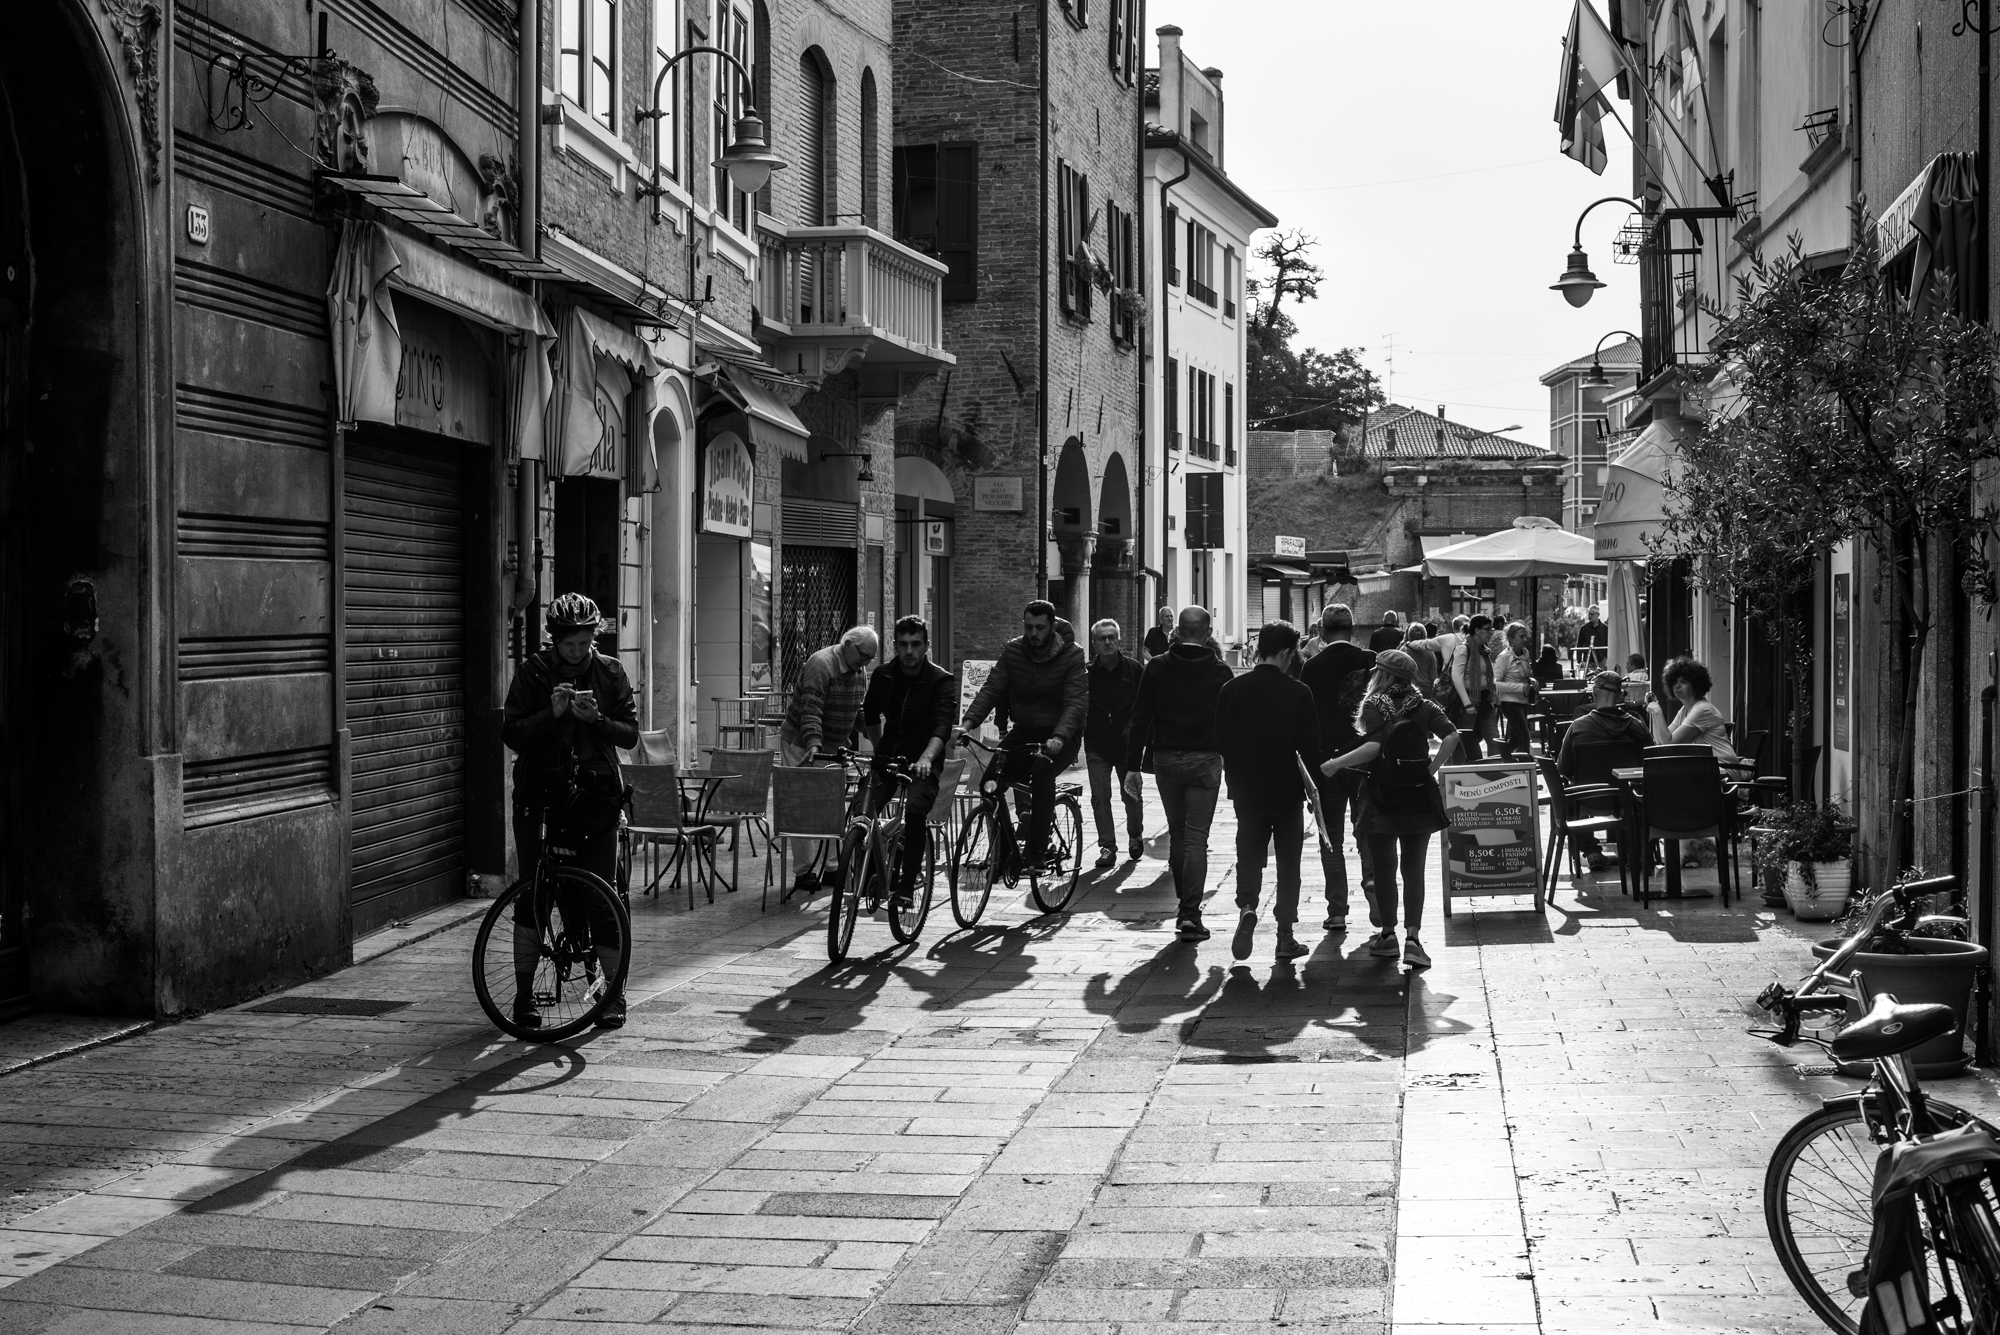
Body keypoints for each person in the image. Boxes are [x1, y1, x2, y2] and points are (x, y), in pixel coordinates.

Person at [500, 593, 640, 1030]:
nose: (577, 653)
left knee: (601, 895)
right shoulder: (533, 672)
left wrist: (597, 720)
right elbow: (511, 734)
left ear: (593, 639)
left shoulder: (611, 672)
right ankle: (524, 998)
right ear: (554, 641)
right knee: (532, 895)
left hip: (595, 795)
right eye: (569, 645)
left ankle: (612, 994)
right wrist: (552, 713)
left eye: (584, 644)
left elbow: (630, 735)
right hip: (541, 793)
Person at [1320, 649, 1461, 970]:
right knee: (1414, 870)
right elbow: (1452, 735)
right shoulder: (1423, 706)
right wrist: (1429, 769)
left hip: (1381, 795)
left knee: (1384, 869)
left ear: (1382, 675)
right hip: (1418, 796)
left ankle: (1388, 936)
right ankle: (1413, 940)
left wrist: (1336, 763)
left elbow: (1375, 746)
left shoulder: (1373, 705)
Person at [1215, 621, 1325, 962]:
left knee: (1248, 852)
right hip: (1286, 790)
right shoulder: (1298, 692)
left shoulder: (1231, 690)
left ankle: (1248, 905)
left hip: (1246, 789)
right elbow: (1311, 748)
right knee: (1289, 862)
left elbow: (1219, 741)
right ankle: (1284, 935)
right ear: (1286, 653)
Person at [1125, 605, 1235, 942]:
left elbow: (1139, 717)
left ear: (1177, 632)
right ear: (1207, 633)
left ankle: (1182, 905)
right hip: (1204, 760)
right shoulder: (1220, 672)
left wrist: (1132, 766)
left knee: (1177, 831)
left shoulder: (1156, 667)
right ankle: (1190, 914)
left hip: (1165, 759)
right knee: (1196, 837)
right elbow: (1229, 725)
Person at [962, 600, 1088, 870]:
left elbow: (1076, 702)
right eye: (1029, 627)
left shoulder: (1072, 654)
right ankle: (1007, 854)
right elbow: (992, 688)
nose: (1033, 633)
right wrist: (967, 723)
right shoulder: (1013, 650)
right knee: (989, 785)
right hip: (1024, 730)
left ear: (1052, 627)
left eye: (1040, 628)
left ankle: (1037, 853)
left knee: (1043, 772)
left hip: (1060, 735)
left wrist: (1060, 736)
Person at [860, 615, 957, 906]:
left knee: (915, 811)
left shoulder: (940, 680)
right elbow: (870, 712)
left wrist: (927, 758)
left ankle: (906, 884)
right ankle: (874, 874)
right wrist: (879, 750)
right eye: (903, 645)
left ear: (926, 645)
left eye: (916, 644)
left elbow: (942, 726)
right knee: (861, 810)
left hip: (924, 756)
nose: (909, 651)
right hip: (890, 751)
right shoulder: (884, 675)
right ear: (894, 646)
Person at [779, 625, 879, 892]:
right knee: (803, 807)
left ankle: (833, 869)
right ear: (848, 644)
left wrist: (876, 734)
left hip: (834, 747)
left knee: (832, 806)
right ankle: (804, 871)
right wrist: (814, 744)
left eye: (870, 658)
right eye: (864, 656)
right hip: (800, 743)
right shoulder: (821, 664)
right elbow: (811, 709)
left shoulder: (860, 671)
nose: (866, 663)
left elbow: (859, 710)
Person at [1300, 604, 1378, 933]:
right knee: (1369, 833)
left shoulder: (1312, 667)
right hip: (1364, 760)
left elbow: (1307, 721)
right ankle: (1373, 882)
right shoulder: (1371, 660)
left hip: (1327, 764)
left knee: (1331, 838)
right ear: (1353, 628)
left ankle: (1337, 911)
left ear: (1321, 632)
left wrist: (1308, 774)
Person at [1557, 670, 1654, 871]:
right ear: (1620, 696)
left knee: (1571, 792)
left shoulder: (1577, 727)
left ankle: (1591, 850)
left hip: (1588, 799)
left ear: (1593, 693)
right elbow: (1652, 763)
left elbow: (1564, 768)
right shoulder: (1637, 727)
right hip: (1628, 799)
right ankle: (1632, 851)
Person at [1083, 619, 1146, 869]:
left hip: (1126, 746)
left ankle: (1135, 835)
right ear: (1094, 643)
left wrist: (1137, 734)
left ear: (1119, 640)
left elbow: (1144, 708)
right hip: (1097, 744)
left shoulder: (1134, 670)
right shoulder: (1085, 673)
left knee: (1131, 794)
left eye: (1112, 637)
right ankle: (1107, 846)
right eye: (1102, 638)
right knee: (1100, 797)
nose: (1107, 642)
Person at [1648, 657, 1737, 760]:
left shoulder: (1702, 710)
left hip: (1724, 769)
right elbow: (1660, 742)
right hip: (1708, 769)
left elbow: (1669, 744)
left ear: (1695, 685)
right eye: (1675, 682)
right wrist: (1654, 713)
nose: (1677, 686)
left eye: (1683, 682)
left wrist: (1658, 712)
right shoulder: (1685, 710)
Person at [1450, 615, 1498, 760]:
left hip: (1485, 700)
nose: (1491, 632)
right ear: (1477, 630)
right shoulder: (1463, 649)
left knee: (1494, 739)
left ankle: (1496, 775)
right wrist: (1467, 703)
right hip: (1467, 702)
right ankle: (1456, 776)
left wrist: (1494, 697)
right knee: (1463, 743)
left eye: (1492, 629)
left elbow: (1489, 677)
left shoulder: (1484, 651)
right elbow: (1456, 677)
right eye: (1488, 629)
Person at [1491, 621, 1535, 759]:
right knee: (1524, 738)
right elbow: (1495, 684)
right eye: (1521, 637)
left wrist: (1532, 681)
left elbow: (1525, 675)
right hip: (1509, 702)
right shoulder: (1504, 657)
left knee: (1515, 740)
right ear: (1510, 639)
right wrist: (1521, 687)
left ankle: (1503, 761)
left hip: (1522, 701)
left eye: (1525, 636)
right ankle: (1524, 770)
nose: (1524, 639)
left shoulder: (1525, 653)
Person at [1576, 605, 1609, 670]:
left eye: (1592, 614)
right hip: (1588, 659)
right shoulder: (1584, 628)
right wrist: (1579, 660)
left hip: (1601, 659)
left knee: (1601, 678)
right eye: (1589, 613)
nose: (1590, 616)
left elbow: (1608, 644)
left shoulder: (1605, 628)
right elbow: (1579, 644)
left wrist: (1606, 657)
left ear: (1598, 615)